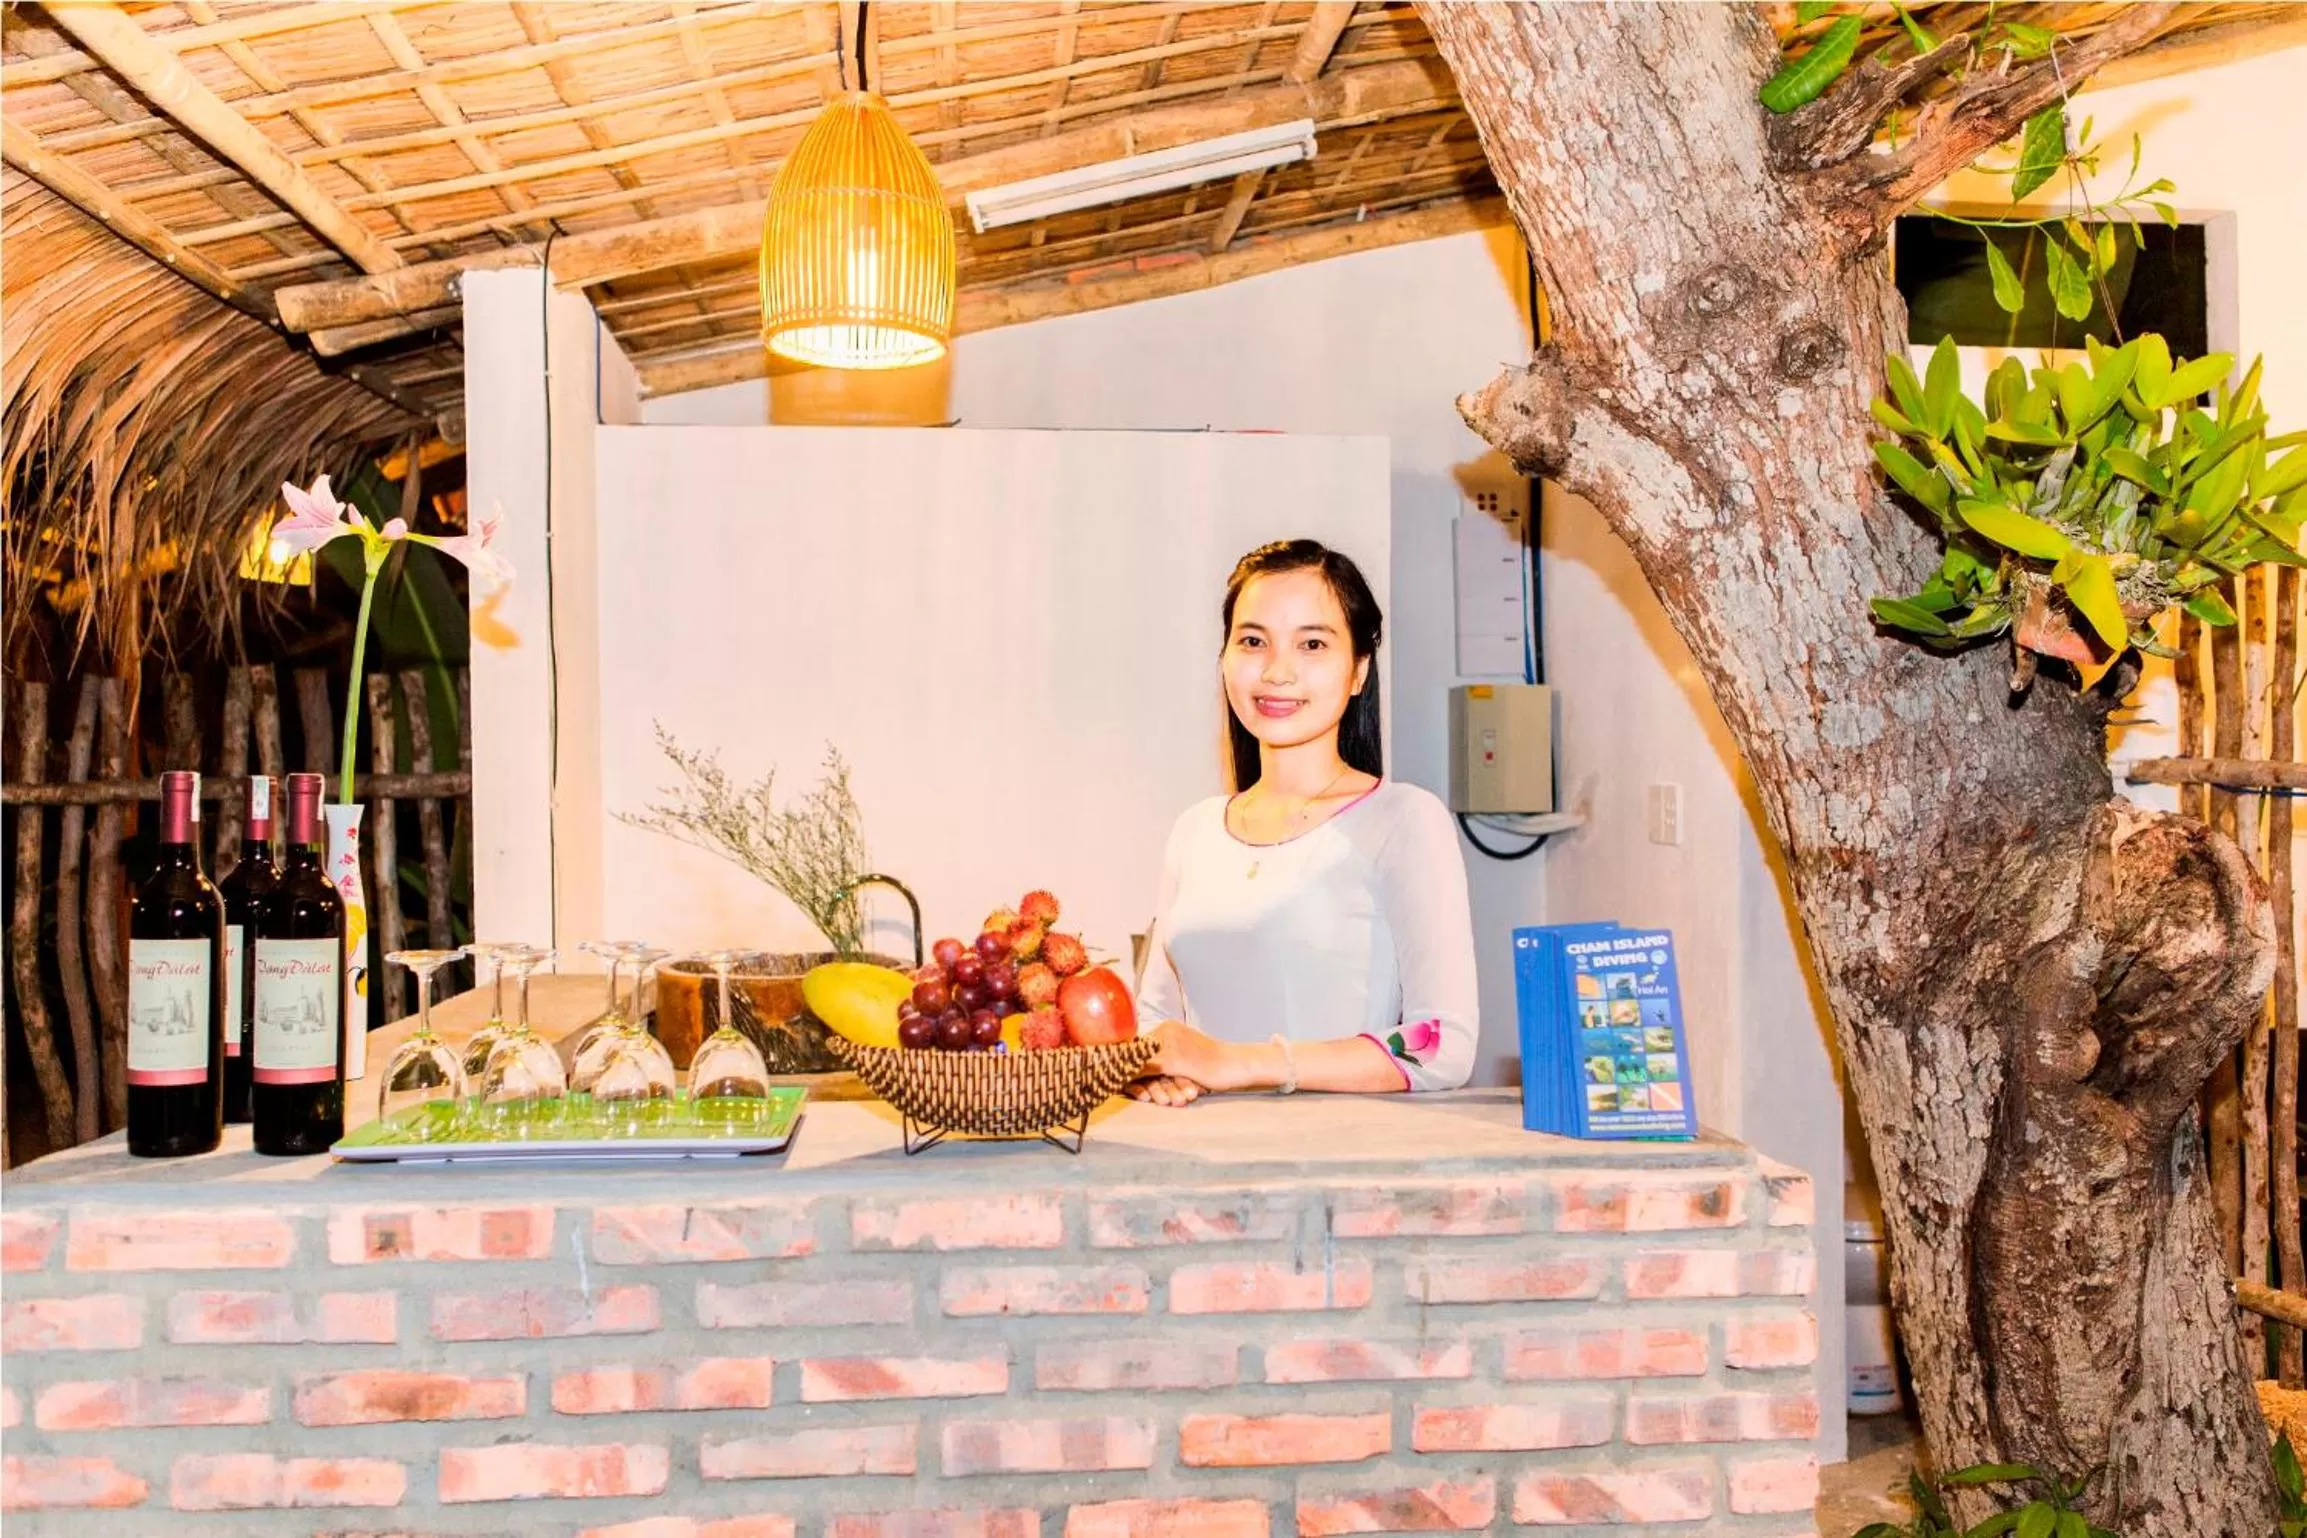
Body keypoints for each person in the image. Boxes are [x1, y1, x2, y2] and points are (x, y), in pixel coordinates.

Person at [1131, 539, 1479, 1105]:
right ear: (1224, 660)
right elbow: (1157, 1021)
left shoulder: (1403, 821)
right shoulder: (1194, 832)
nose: (1277, 671)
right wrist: (1155, 1068)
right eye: (1252, 642)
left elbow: (1439, 1045)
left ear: (1358, 670)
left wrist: (1238, 1063)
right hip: (1196, 1167)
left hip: (1336, 1169)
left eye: (1312, 643)